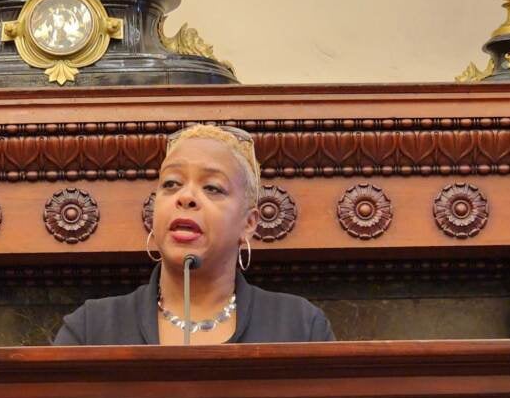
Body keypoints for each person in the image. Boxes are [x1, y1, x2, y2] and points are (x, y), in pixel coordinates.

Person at [54, 124, 334, 345]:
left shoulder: (299, 326)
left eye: (212, 188)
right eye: (171, 184)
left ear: (248, 223)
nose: (185, 196)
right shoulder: (91, 329)